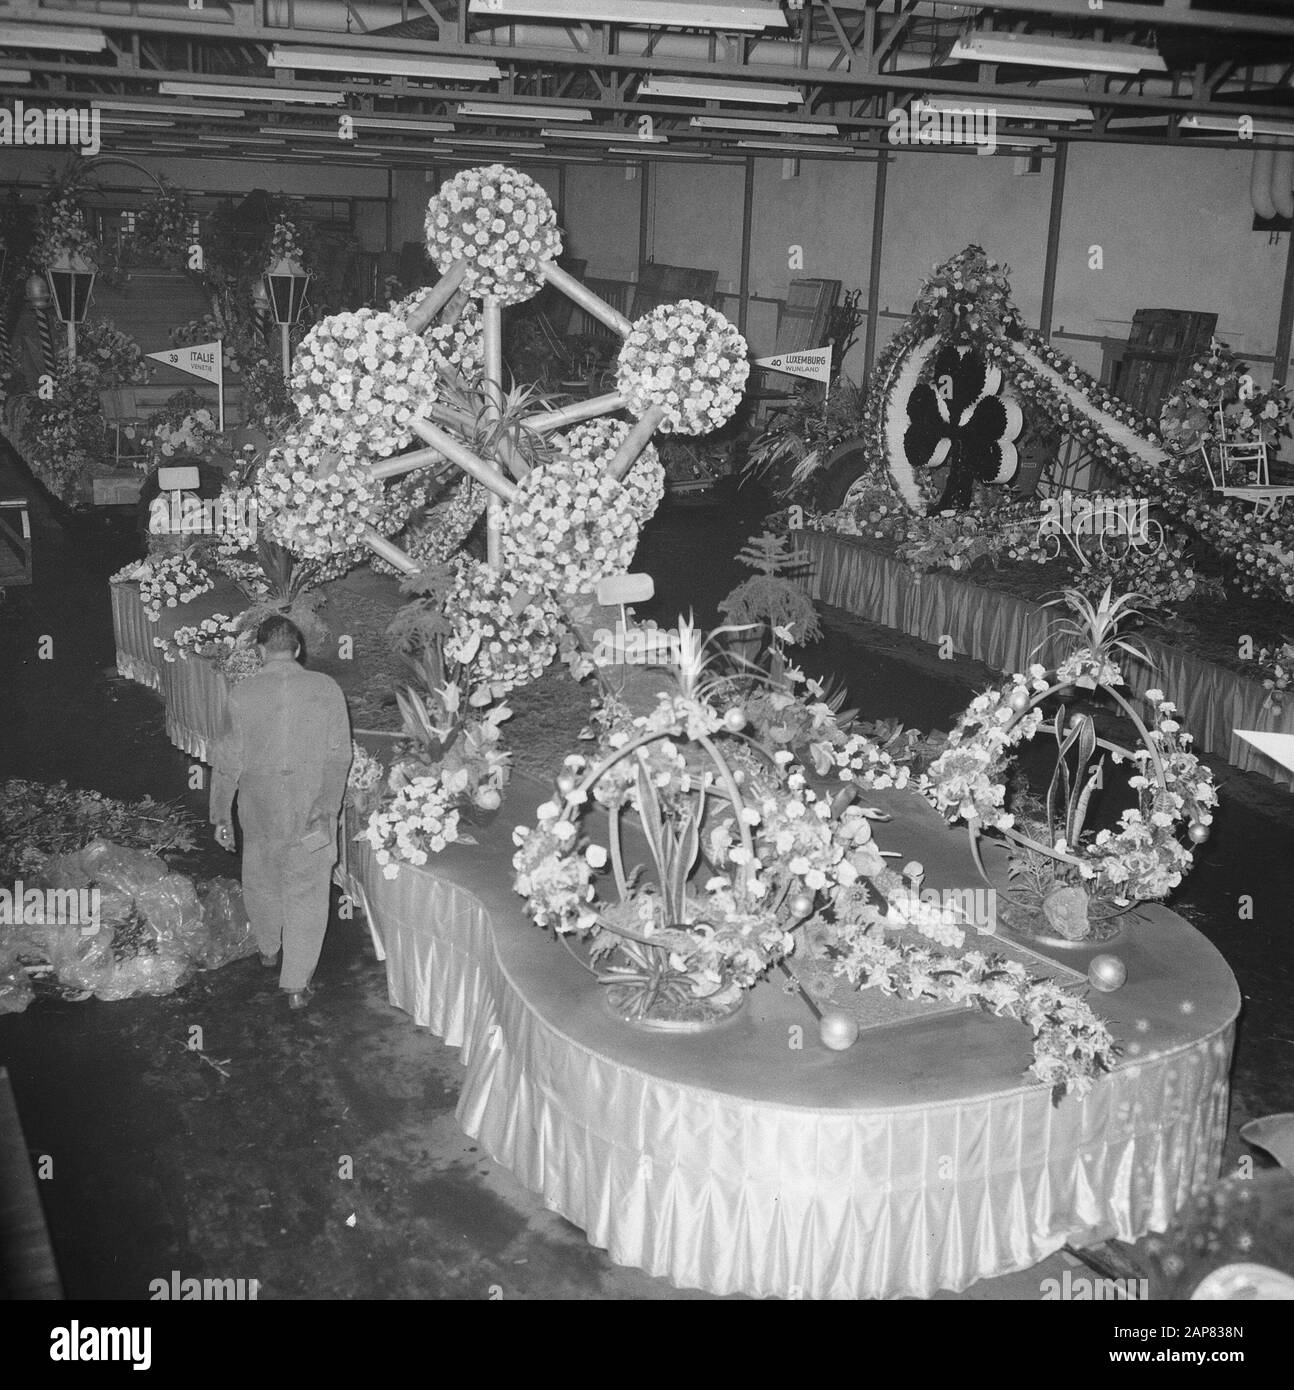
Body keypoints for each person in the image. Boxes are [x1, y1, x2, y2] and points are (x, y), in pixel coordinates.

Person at [209, 615, 351, 1010]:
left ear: (259, 651)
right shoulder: (326, 688)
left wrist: (221, 815)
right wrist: (326, 807)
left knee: (261, 876)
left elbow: (226, 760)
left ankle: (269, 948)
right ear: (299, 648)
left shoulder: (242, 693)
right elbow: (340, 757)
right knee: (307, 891)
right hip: (312, 807)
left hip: (260, 806)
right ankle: (295, 984)